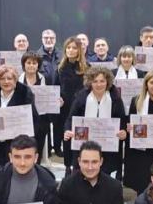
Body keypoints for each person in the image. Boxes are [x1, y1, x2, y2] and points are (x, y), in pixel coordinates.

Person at [63, 66, 127, 174]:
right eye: (95, 81)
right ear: (90, 82)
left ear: (108, 82)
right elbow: (70, 118)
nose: (99, 84)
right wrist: (67, 131)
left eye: (102, 81)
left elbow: (122, 120)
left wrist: (124, 131)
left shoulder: (115, 98)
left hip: (107, 148)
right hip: (84, 146)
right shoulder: (81, 97)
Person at [0, 65, 39, 176]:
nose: (6, 82)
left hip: (16, 145)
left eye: (9, 78)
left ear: (15, 80)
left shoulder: (25, 94)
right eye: (2, 78)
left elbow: (33, 119)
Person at [57, 37, 89, 170]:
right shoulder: (60, 68)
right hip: (65, 108)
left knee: (81, 137)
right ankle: (67, 167)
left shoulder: (87, 68)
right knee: (67, 137)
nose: (71, 50)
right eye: (68, 47)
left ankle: (80, 166)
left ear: (79, 50)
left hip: (81, 108)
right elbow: (54, 88)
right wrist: (57, 98)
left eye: (74, 48)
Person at [19, 51, 52, 161]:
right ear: (24, 64)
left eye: (34, 63)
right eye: (28, 63)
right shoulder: (17, 80)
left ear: (38, 65)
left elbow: (52, 96)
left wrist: (57, 101)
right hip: (23, 121)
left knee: (38, 149)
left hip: (41, 121)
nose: (31, 65)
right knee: (24, 149)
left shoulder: (46, 79)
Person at [36, 29, 62, 156]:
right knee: (45, 123)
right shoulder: (36, 56)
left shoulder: (62, 55)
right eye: (46, 37)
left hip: (58, 96)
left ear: (55, 39)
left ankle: (57, 148)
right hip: (43, 96)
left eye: (51, 38)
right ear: (42, 39)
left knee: (58, 124)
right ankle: (48, 149)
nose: (48, 40)